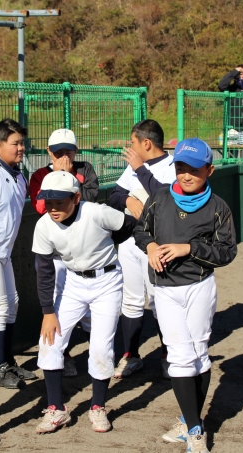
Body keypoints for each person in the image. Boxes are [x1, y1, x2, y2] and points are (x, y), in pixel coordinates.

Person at [134, 138, 238, 453]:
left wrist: (189, 248)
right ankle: (195, 430)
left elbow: (227, 252)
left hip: (199, 286)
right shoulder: (159, 198)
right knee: (179, 356)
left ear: (209, 170)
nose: (186, 174)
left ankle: (188, 420)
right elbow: (141, 231)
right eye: (181, 167)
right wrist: (151, 246)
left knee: (199, 353)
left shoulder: (218, 206)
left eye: (194, 169)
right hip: (165, 289)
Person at [32, 171, 137, 434]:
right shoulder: (44, 225)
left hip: (107, 280)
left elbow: (129, 224)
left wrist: (107, 242)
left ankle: (98, 406)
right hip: (72, 282)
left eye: (59, 201)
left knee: (101, 348)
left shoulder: (96, 212)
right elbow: (44, 271)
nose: (53, 208)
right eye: (48, 202)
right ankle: (56, 409)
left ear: (76, 198)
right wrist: (47, 312)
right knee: (49, 342)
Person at [108, 119, 176, 379]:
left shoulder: (172, 167)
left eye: (133, 142)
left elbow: (166, 198)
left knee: (159, 301)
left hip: (158, 244)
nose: (130, 147)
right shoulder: (134, 167)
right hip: (130, 242)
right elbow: (114, 196)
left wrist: (140, 169)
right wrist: (128, 199)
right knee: (132, 301)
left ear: (146, 143)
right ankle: (131, 356)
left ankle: (169, 355)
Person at [29, 128, 100, 378]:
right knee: (56, 307)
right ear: (49, 152)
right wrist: (60, 177)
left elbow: (90, 200)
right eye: (58, 152)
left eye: (68, 151)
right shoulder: (40, 175)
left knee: (90, 312)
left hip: (85, 252)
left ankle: (97, 355)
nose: (64, 156)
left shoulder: (85, 169)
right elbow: (41, 207)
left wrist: (68, 176)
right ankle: (64, 356)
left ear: (75, 150)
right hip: (55, 254)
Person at [0, 119, 37, 389]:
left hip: (5, 253)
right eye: (15, 143)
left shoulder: (18, 174)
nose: (21, 148)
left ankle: (7, 362)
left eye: (22, 143)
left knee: (12, 305)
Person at [218, 64, 243, 161]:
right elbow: (221, 85)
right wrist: (234, 71)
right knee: (232, 158)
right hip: (233, 129)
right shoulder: (231, 89)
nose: (242, 76)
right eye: (239, 73)